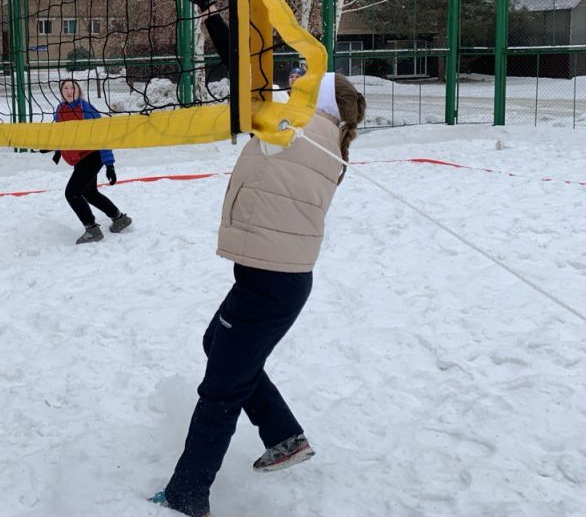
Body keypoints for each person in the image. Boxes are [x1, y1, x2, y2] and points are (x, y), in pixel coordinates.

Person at [150, 73, 367, 517]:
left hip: (270, 281)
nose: (294, 85)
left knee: (221, 391)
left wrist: (218, 26)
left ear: (320, 101)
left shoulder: (292, 130)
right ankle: (284, 436)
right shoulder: (323, 137)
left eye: (307, 84)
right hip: (277, 279)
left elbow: (247, 79)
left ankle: (187, 494)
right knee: (218, 345)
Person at [52, 78, 132, 244]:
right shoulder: (59, 110)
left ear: (78, 91)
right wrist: (54, 148)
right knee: (89, 193)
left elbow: (103, 136)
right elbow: (59, 133)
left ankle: (92, 229)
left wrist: (109, 165)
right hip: (80, 159)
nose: (69, 91)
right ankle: (119, 219)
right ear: (61, 92)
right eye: (65, 88)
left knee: (72, 194)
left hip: (93, 156)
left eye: (72, 88)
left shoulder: (86, 109)